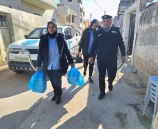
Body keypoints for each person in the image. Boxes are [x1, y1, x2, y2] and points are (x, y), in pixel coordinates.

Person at [36, 21, 74, 104]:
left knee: (57, 81)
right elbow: (40, 52)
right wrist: (38, 65)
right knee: (52, 81)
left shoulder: (61, 37)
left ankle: (59, 95)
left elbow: (66, 50)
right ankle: (55, 93)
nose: (51, 29)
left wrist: (71, 61)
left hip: (58, 64)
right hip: (48, 65)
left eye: (53, 27)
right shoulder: (44, 38)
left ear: (56, 28)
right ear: (47, 28)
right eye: (49, 27)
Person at [89, 15, 126, 100]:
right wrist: (91, 55)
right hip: (101, 58)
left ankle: (110, 82)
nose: (105, 23)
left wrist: (123, 54)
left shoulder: (116, 31)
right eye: (104, 21)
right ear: (102, 22)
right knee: (101, 75)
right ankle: (102, 91)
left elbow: (121, 43)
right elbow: (94, 45)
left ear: (110, 22)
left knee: (112, 73)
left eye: (107, 21)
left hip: (112, 58)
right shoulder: (98, 32)